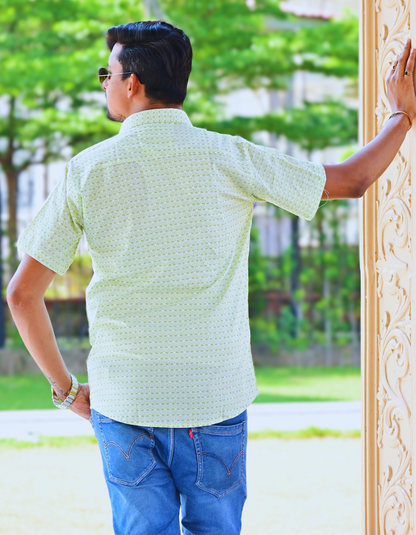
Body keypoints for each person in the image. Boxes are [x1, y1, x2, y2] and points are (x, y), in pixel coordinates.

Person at [6, 19, 416, 535]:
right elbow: (352, 179)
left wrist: (66, 391)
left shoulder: (89, 170)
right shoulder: (230, 156)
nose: (104, 84)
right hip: (215, 399)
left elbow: (22, 295)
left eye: (104, 74)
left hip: (125, 400)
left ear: (132, 83)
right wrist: (401, 115)